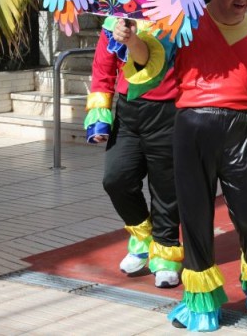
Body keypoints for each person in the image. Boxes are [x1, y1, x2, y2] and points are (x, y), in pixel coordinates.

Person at [114, 0, 247, 331]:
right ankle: (200, 302)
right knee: (194, 217)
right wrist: (132, 41)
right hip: (192, 124)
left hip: (241, 128)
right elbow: (152, 59)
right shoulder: (187, 21)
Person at [84, 17, 183, 289]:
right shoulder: (113, 21)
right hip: (129, 111)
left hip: (170, 111)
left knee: (166, 190)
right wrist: (99, 115)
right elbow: (103, 70)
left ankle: (166, 254)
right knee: (116, 179)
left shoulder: (178, 15)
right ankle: (142, 236)